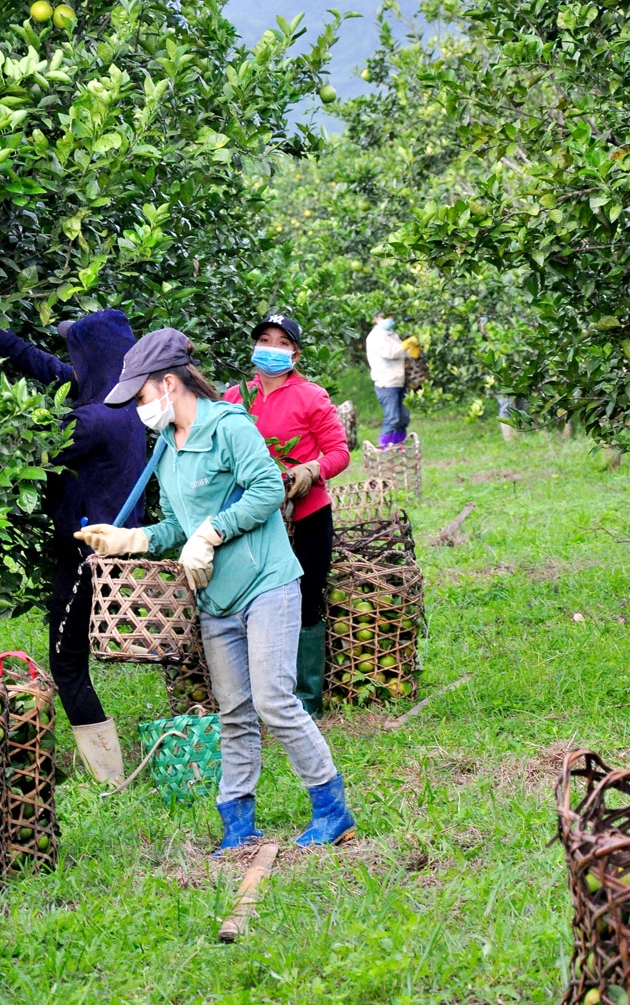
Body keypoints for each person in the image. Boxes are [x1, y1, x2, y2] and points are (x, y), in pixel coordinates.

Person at [76, 328, 355, 851]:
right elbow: (179, 526)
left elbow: (270, 487)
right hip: (216, 599)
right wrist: (132, 539)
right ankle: (238, 823)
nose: (139, 408)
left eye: (140, 396)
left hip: (265, 582)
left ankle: (331, 807)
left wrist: (213, 531)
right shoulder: (167, 446)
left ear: (167, 384)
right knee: (234, 711)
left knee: (275, 702)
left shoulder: (228, 425)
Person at [0, 310, 146, 784]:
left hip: (87, 556)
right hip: (102, 549)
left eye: (74, 354)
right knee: (72, 656)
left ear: (92, 359)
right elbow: (52, 372)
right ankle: (106, 767)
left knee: (68, 661)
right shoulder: (119, 404)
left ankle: (109, 775)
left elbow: (25, 453)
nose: (68, 365)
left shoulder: (92, 421)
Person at [223, 313, 350, 717]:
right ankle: (260, 698)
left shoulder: (311, 396)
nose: (272, 349)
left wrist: (310, 470)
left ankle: (306, 702)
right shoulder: (234, 399)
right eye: (265, 339)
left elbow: (339, 453)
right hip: (254, 516)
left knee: (306, 599)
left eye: (281, 342)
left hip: (308, 513)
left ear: (295, 353)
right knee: (253, 600)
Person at [365, 312, 410, 448]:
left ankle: (398, 445)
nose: (389, 320)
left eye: (391, 317)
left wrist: (411, 349)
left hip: (399, 380)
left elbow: (402, 352)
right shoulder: (375, 337)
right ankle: (383, 447)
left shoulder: (392, 334)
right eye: (385, 317)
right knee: (392, 418)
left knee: (403, 418)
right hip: (386, 383)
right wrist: (406, 344)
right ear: (376, 319)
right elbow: (390, 353)